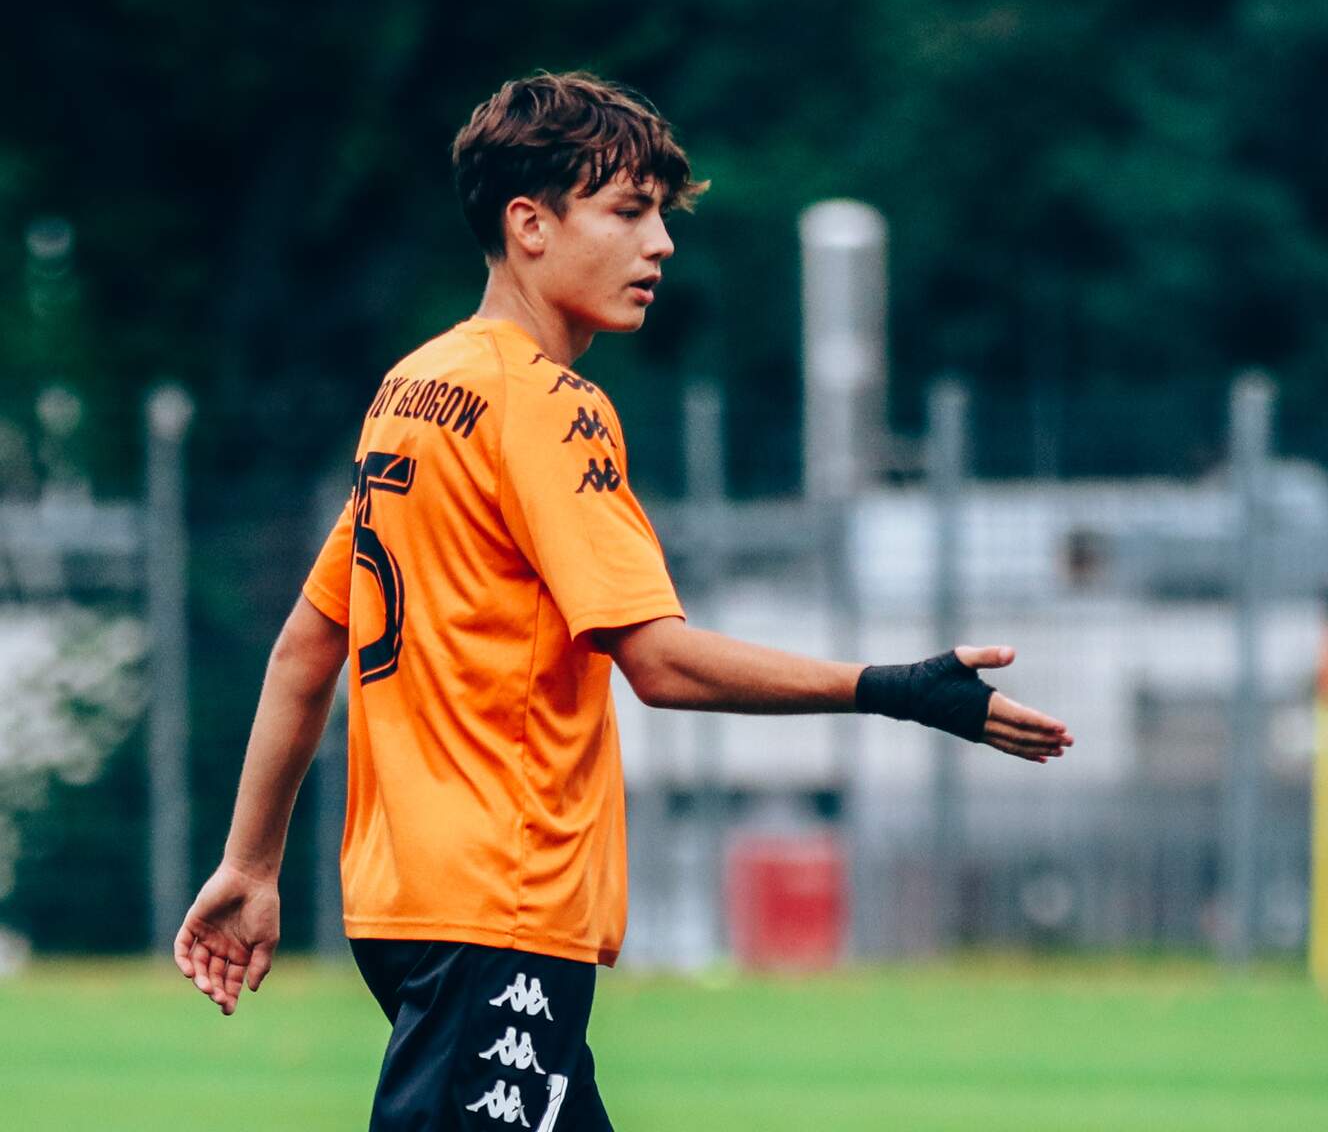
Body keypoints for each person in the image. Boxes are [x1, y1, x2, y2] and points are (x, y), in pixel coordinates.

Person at [172, 71, 1072, 1131]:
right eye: (628, 211)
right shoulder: (552, 406)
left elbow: (304, 647)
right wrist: (895, 688)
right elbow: (659, 660)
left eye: (660, 215)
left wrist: (251, 862)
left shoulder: (413, 389)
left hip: (411, 903)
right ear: (530, 225)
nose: (661, 245)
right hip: (499, 907)